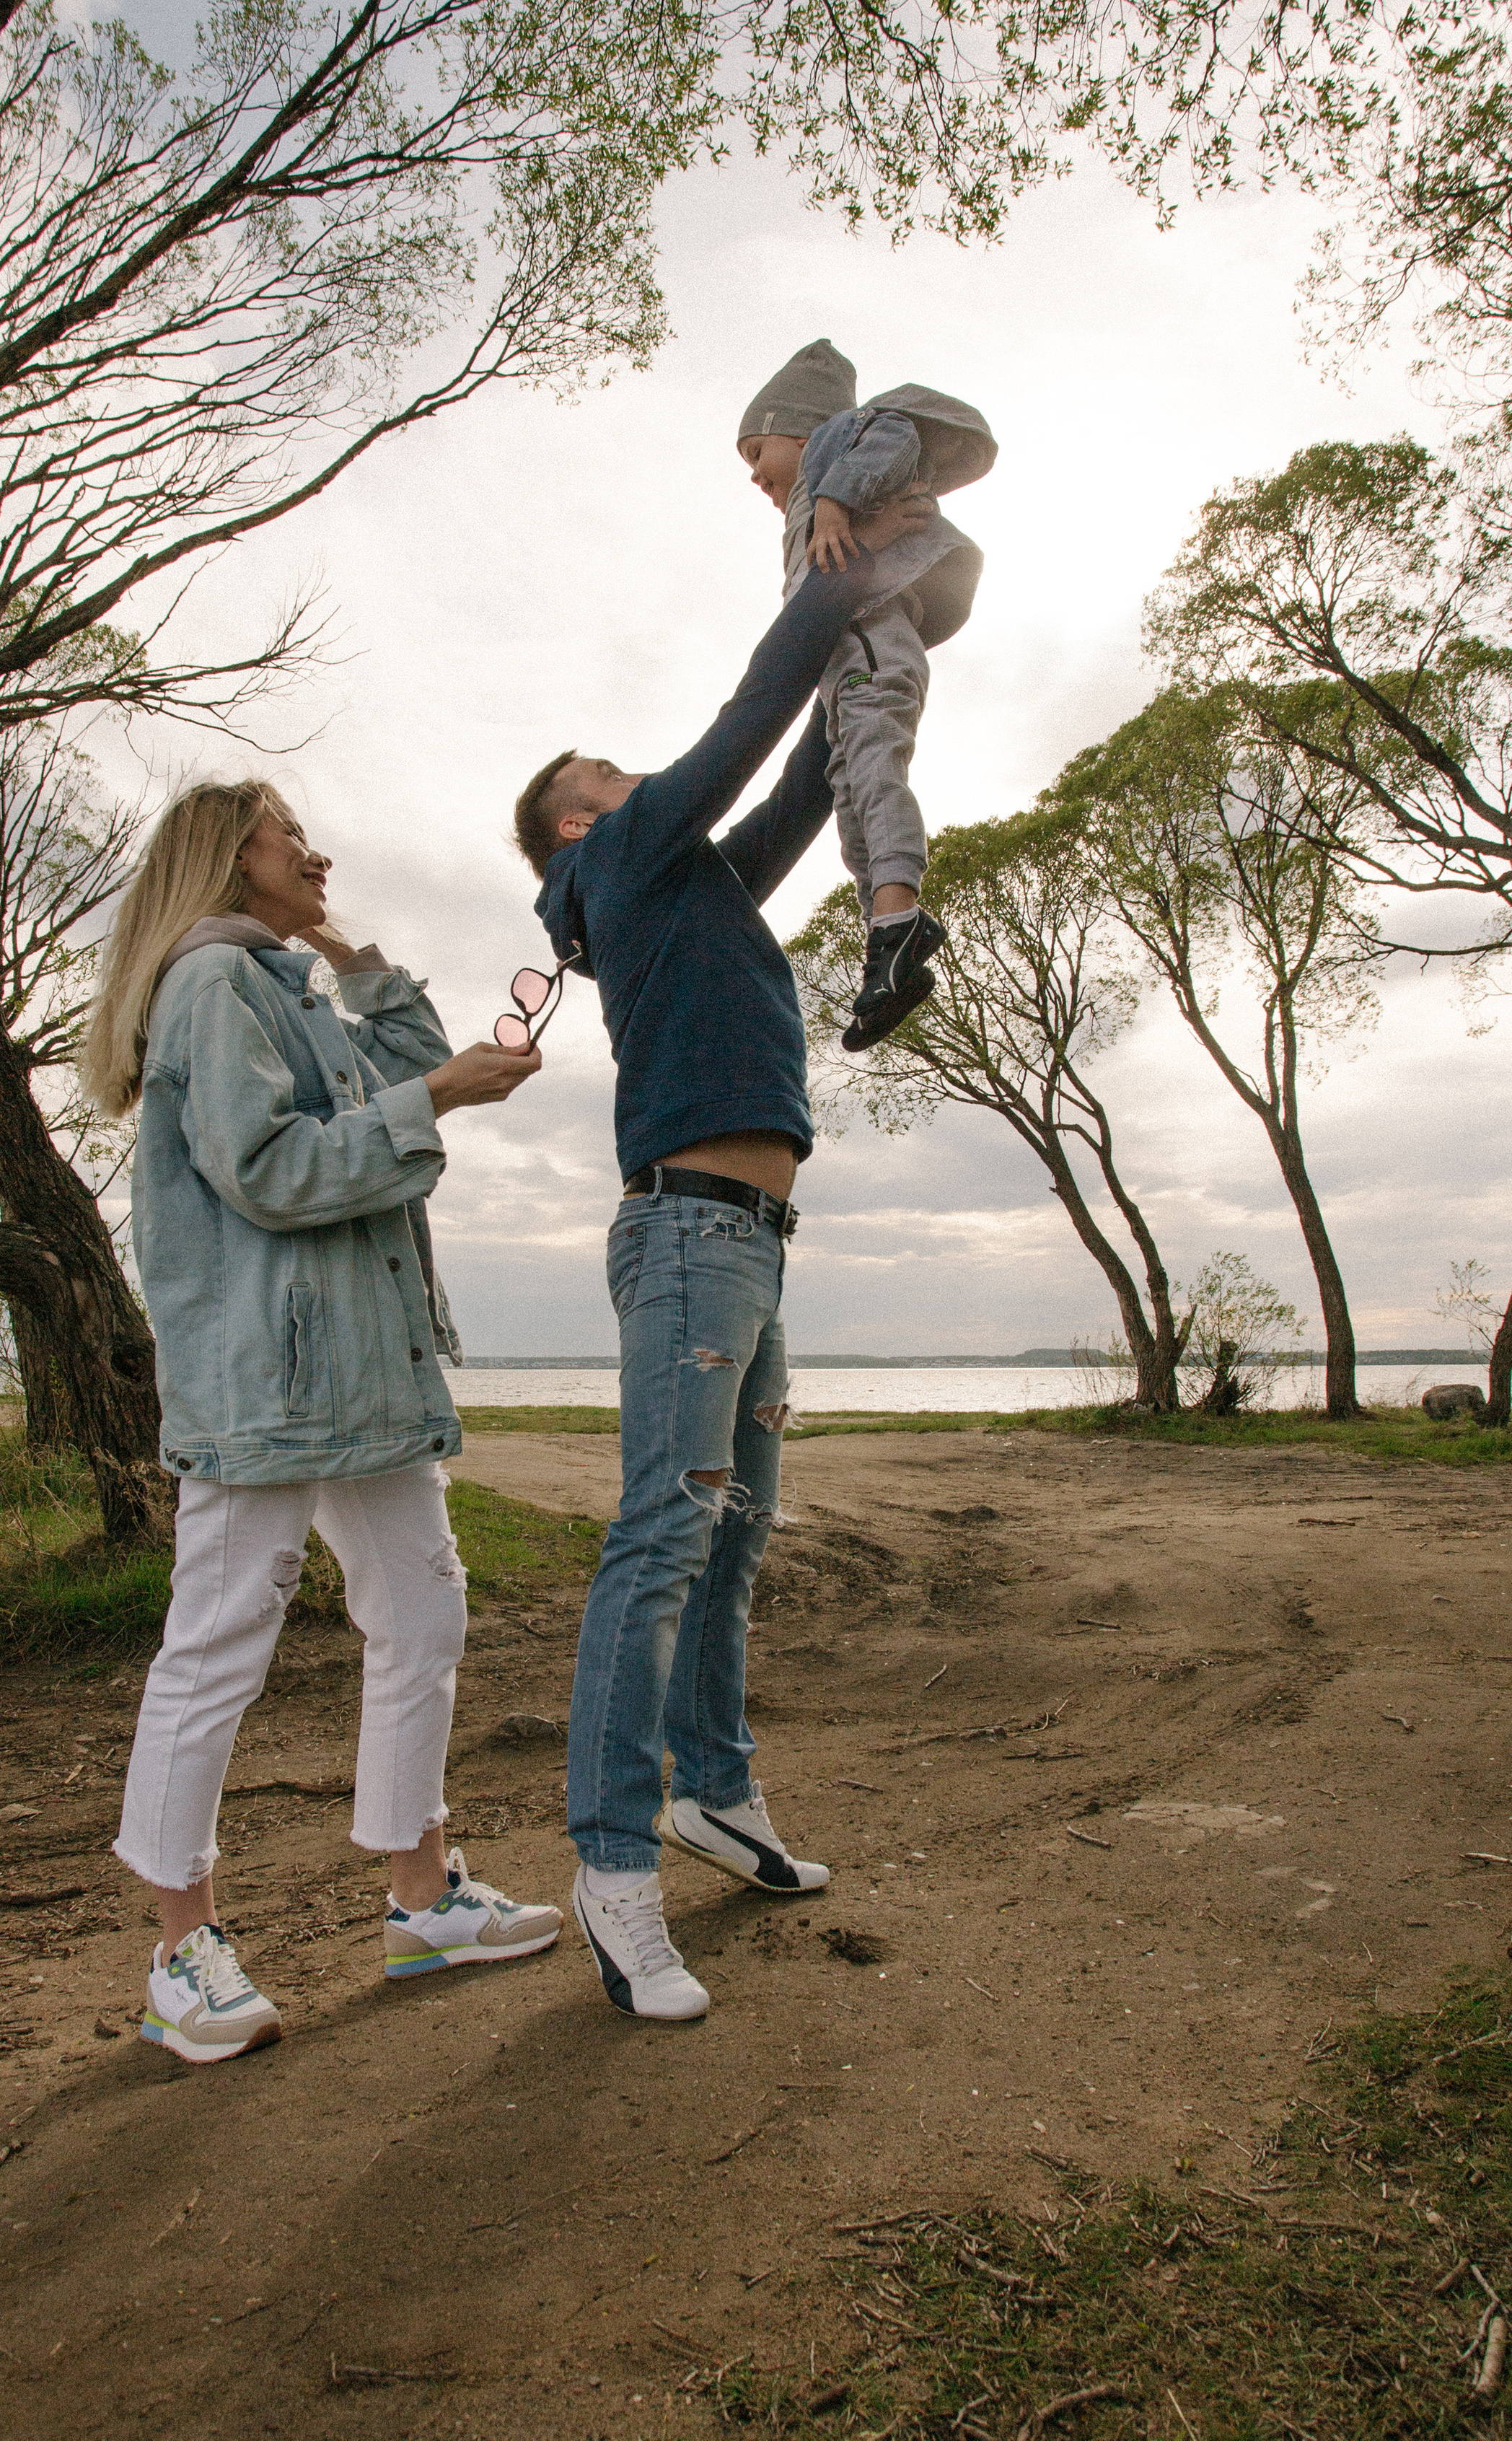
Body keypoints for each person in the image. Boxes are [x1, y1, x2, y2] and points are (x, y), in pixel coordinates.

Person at [510, 496, 933, 2021]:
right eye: (608, 776)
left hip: (748, 1241)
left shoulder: (686, 884)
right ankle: (612, 1858)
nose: (635, 780)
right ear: (579, 823)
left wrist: (877, 656)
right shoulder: (623, 859)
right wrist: (833, 585)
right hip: (689, 1233)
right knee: (661, 1539)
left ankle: (714, 1793)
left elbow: (799, 783)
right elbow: (742, 729)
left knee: (736, 1534)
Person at [81, 779, 561, 2063]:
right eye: (291, 835)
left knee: (424, 1614)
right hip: (269, 1380)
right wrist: (435, 1097)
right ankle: (181, 1953)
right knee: (219, 1642)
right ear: (228, 855)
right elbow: (274, 1171)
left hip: (364, 1375)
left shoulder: (286, 986)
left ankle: (424, 1903)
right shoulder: (212, 986)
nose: (319, 850)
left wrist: (353, 960)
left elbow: (408, 1072)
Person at [738, 337, 997, 1051]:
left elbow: (893, 433)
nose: (753, 474)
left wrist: (833, 503)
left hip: (876, 642)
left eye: (756, 452)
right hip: (845, 667)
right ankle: (886, 943)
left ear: (800, 433)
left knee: (876, 770)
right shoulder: (806, 499)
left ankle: (899, 918)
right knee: (850, 795)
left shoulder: (840, 444)